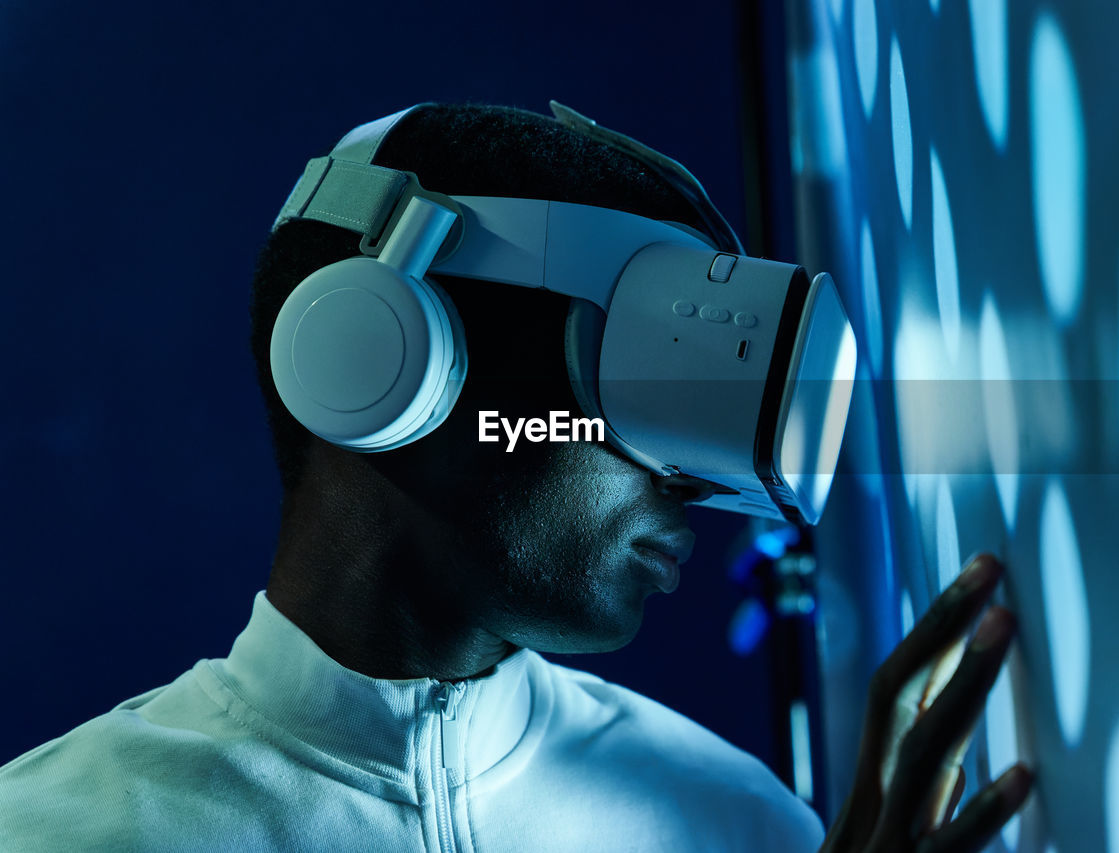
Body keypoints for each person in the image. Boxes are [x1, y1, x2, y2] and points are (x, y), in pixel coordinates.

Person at [0, 103, 1030, 851]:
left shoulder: (736, 820)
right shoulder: (55, 831)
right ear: (384, 360)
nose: (691, 486)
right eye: (644, 373)